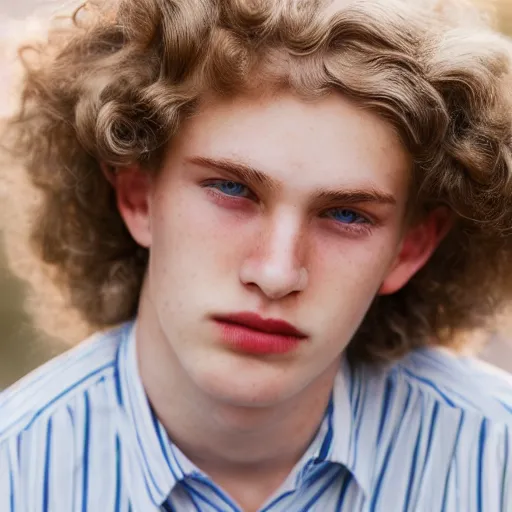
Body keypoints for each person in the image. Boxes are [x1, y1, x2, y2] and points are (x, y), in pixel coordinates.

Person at [1, 0, 511, 510]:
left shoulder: (497, 461)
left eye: (347, 215)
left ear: (411, 246)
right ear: (139, 196)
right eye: (231, 188)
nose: (276, 273)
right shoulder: (14, 472)